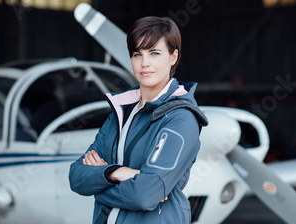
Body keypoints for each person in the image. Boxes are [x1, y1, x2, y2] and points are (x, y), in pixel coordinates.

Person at [68, 16, 209, 224]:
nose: (145, 63)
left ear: (173, 57)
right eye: (137, 54)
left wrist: (99, 187)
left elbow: (145, 195)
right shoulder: (120, 113)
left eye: (154, 53)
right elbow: (77, 176)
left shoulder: (181, 118)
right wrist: (116, 172)